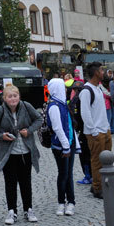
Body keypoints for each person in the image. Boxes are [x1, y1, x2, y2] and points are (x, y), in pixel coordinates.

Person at [0, 85, 42, 225]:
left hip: (26, 152)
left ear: (19, 96)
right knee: (10, 183)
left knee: (25, 183)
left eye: (15, 95)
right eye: (10, 96)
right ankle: (12, 211)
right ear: (5, 98)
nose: (13, 98)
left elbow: (39, 119)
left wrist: (29, 130)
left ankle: (28, 209)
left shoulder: (26, 106)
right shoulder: (0, 110)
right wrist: (1, 136)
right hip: (8, 154)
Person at [46, 78, 79, 217]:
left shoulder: (62, 103)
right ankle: (61, 202)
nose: (66, 90)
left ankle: (71, 202)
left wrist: (73, 144)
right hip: (61, 146)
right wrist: (66, 146)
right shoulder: (54, 106)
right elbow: (57, 128)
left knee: (68, 173)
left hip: (68, 144)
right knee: (63, 174)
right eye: (63, 87)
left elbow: (69, 126)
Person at [80, 62, 111, 199]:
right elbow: (85, 113)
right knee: (97, 160)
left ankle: (100, 184)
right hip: (95, 132)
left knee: (107, 160)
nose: (103, 73)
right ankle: (98, 188)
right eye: (101, 70)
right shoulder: (87, 90)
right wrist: (93, 131)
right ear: (96, 73)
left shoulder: (98, 88)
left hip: (104, 129)